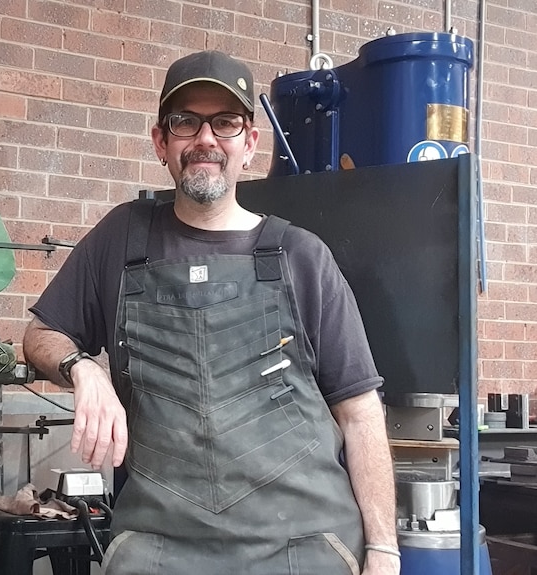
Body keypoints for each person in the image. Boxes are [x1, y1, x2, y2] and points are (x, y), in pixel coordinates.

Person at [23, 50, 399, 575]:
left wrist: (383, 549)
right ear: (161, 143)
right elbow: (40, 334)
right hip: (160, 546)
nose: (206, 139)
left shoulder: (301, 256)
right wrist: (83, 369)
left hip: (303, 545)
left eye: (226, 123)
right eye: (185, 122)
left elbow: (360, 414)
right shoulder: (122, 239)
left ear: (249, 144)